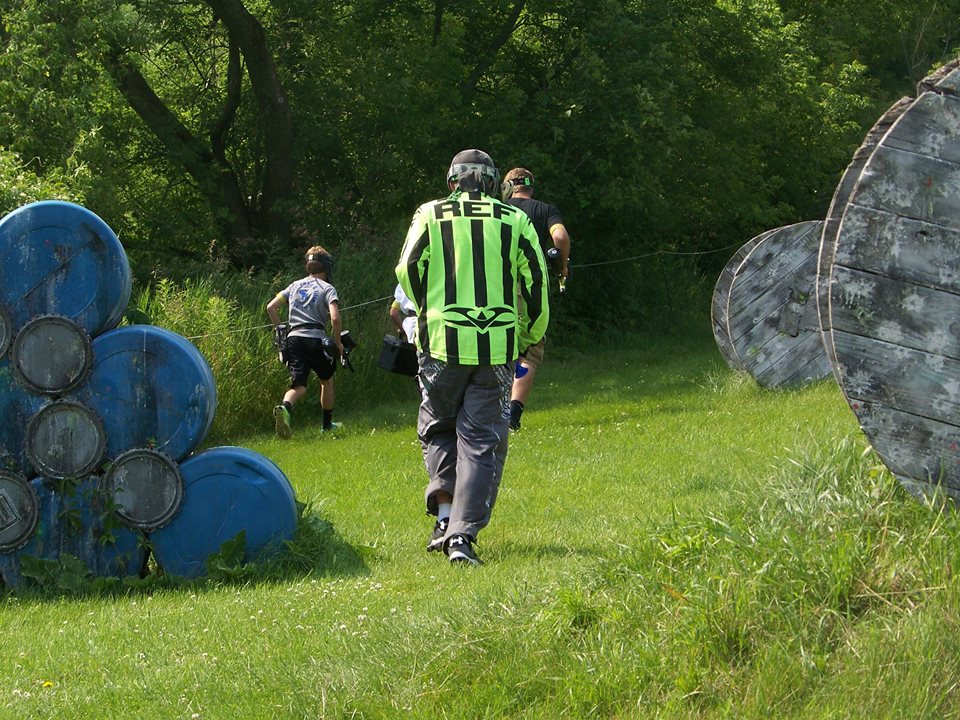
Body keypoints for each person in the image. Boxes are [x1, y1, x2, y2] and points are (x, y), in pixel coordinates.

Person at [396, 148, 550, 565]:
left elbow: (407, 270)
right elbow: (536, 285)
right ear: (494, 182)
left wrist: (430, 309)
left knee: (438, 426)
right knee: (481, 440)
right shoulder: (514, 220)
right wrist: (526, 336)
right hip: (496, 348)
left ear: (452, 183)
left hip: (441, 345)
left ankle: (444, 518)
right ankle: (462, 537)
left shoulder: (430, 214)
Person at [500, 167, 571, 431]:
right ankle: (513, 415)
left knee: (499, 342)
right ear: (531, 187)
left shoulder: (498, 209)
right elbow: (560, 237)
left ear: (508, 186)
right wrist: (562, 266)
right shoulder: (545, 209)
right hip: (532, 286)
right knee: (529, 349)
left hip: (499, 286)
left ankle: (492, 408)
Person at [267, 245, 344, 438]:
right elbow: (334, 318)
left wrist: (280, 330)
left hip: (293, 339)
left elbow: (271, 307)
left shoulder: (294, 285)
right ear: (326, 267)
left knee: (299, 385)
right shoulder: (328, 288)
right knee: (326, 380)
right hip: (315, 338)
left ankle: (285, 408)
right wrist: (337, 343)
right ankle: (327, 425)